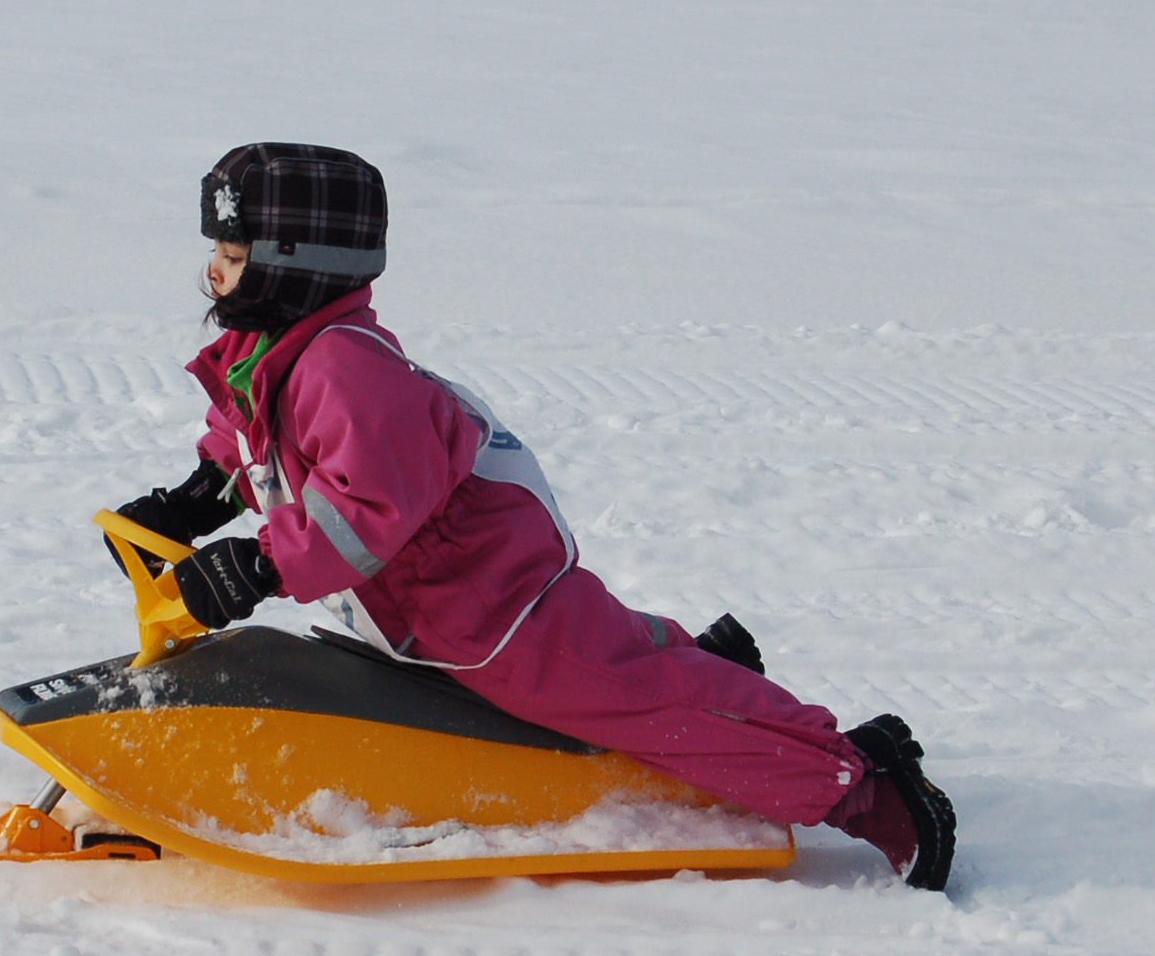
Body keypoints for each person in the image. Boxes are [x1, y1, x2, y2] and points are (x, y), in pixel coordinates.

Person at [110, 143, 956, 890]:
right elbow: (250, 436)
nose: (213, 272)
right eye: (215, 251)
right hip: (424, 608)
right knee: (619, 674)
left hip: (489, 603)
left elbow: (360, 509)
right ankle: (706, 666)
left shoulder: (345, 369)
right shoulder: (274, 350)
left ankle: (860, 784)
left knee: (631, 701)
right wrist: (195, 499)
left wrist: (257, 566)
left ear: (299, 264)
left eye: (232, 252)